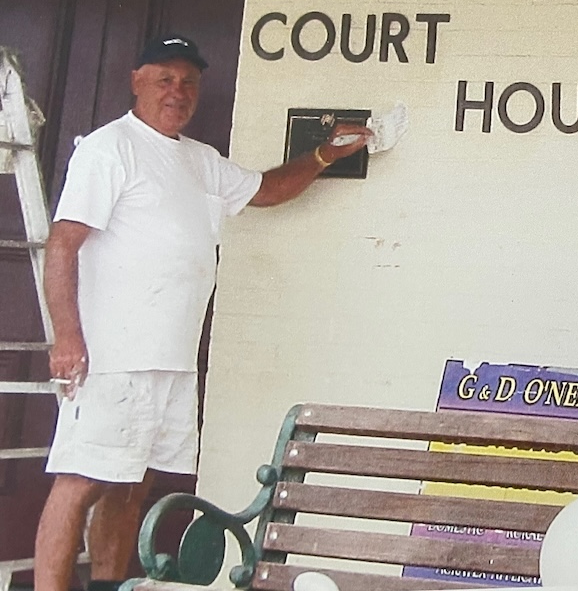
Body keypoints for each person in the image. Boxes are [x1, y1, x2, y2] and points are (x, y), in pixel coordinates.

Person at [34, 34, 372, 591]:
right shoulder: (108, 148)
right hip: (110, 357)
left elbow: (265, 190)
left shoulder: (198, 160)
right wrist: (67, 337)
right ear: (137, 80)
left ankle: (109, 585)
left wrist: (323, 155)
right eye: (165, 78)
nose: (178, 91)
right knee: (78, 480)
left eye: (189, 81)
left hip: (169, 358)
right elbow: (64, 243)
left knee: (129, 486)